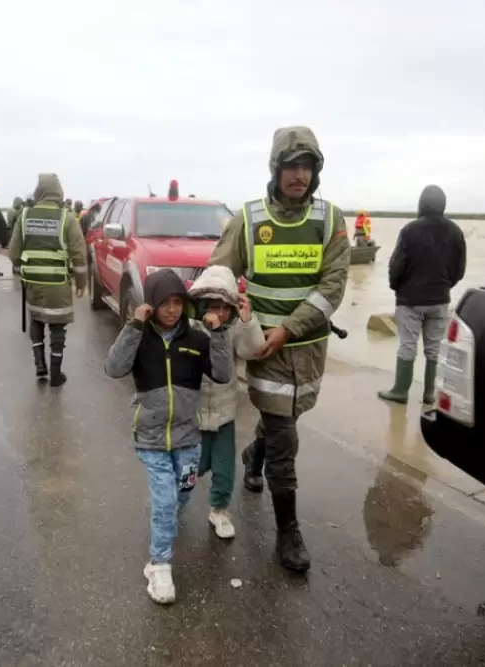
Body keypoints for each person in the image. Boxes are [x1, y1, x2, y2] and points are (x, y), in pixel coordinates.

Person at [208, 125, 350, 573]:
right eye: (291, 165)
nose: (299, 175)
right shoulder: (249, 220)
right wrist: (214, 316)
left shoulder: (331, 220)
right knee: (285, 436)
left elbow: (334, 286)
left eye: (307, 166)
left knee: (287, 418)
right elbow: (219, 274)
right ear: (275, 169)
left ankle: (254, 455)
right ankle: (288, 532)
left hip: (308, 349)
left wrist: (290, 328)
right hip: (263, 351)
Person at [104, 269, 233, 604]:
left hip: (187, 438)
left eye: (178, 302)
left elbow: (222, 374)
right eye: (165, 303)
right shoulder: (140, 336)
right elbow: (114, 368)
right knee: (165, 501)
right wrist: (134, 325)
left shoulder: (196, 339)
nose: (172, 309)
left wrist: (219, 334)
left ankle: (165, 526)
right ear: (152, 303)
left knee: (183, 492)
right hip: (150, 438)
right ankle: (159, 565)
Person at [188, 266, 265, 539]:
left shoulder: (233, 327)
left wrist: (248, 321)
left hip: (224, 412)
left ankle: (219, 510)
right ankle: (175, 501)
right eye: (213, 306)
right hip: (193, 414)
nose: (219, 313)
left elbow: (253, 351)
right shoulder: (189, 328)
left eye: (225, 307)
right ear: (201, 304)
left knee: (224, 466)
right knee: (192, 465)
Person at [378, 185, 466, 408]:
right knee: (434, 348)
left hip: (410, 299)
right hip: (440, 300)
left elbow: (396, 265)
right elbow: (459, 270)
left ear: (421, 204)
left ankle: (400, 391)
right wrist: (445, 286)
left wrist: (396, 287)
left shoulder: (410, 230)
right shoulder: (455, 231)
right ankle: (429, 394)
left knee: (407, 345)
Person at [8, 173, 88, 386]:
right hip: (59, 285)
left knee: (36, 319)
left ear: (39, 191)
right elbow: (79, 255)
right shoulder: (67, 218)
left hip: (32, 283)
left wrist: (26, 264)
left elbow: (14, 253)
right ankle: (56, 373)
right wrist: (81, 284)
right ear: (58, 192)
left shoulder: (24, 216)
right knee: (57, 326)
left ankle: (39, 365)